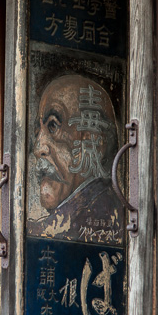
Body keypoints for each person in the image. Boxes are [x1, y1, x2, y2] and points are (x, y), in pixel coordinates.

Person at [27, 74, 123, 242]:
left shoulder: (101, 218)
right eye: (37, 133)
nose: (38, 149)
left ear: (93, 141)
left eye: (53, 126)